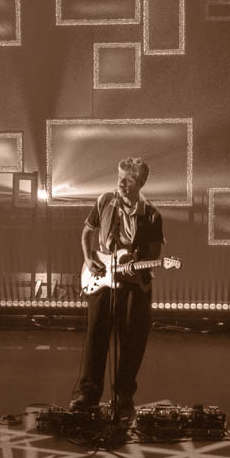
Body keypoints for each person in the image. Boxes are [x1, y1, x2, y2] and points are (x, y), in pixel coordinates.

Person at [70, 157, 164, 418]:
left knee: (132, 341)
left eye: (128, 180)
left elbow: (155, 251)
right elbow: (87, 231)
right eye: (120, 177)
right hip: (102, 278)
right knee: (96, 337)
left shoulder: (152, 215)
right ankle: (88, 394)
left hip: (134, 284)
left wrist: (139, 265)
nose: (121, 184)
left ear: (141, 182)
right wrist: (89, 258)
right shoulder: (105, 201)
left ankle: (124, 395)